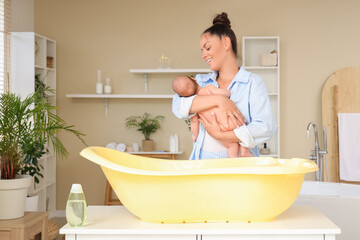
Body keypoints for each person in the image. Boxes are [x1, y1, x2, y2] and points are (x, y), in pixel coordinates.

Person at [172, 12, 277, 160]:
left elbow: (266, 127)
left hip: (239, 162)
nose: (203, 55)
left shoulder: (252, 82)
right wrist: (219, 101)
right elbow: (178, 106)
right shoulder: (201, 82)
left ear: (226, 43)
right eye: (202, 50)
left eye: (207, 48)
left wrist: (221, 135)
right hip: (203, 162)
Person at [172, 75, 252, 158]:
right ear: (194, 79)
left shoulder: (195, 105)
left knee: (232, 145)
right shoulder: (208, 89)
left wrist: (194, 135)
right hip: (231, 122)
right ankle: (244, 152)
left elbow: (194, 122)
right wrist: (229, 92)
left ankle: (233, 159)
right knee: (243, 134)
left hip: (220, 128)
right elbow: (225, 94)